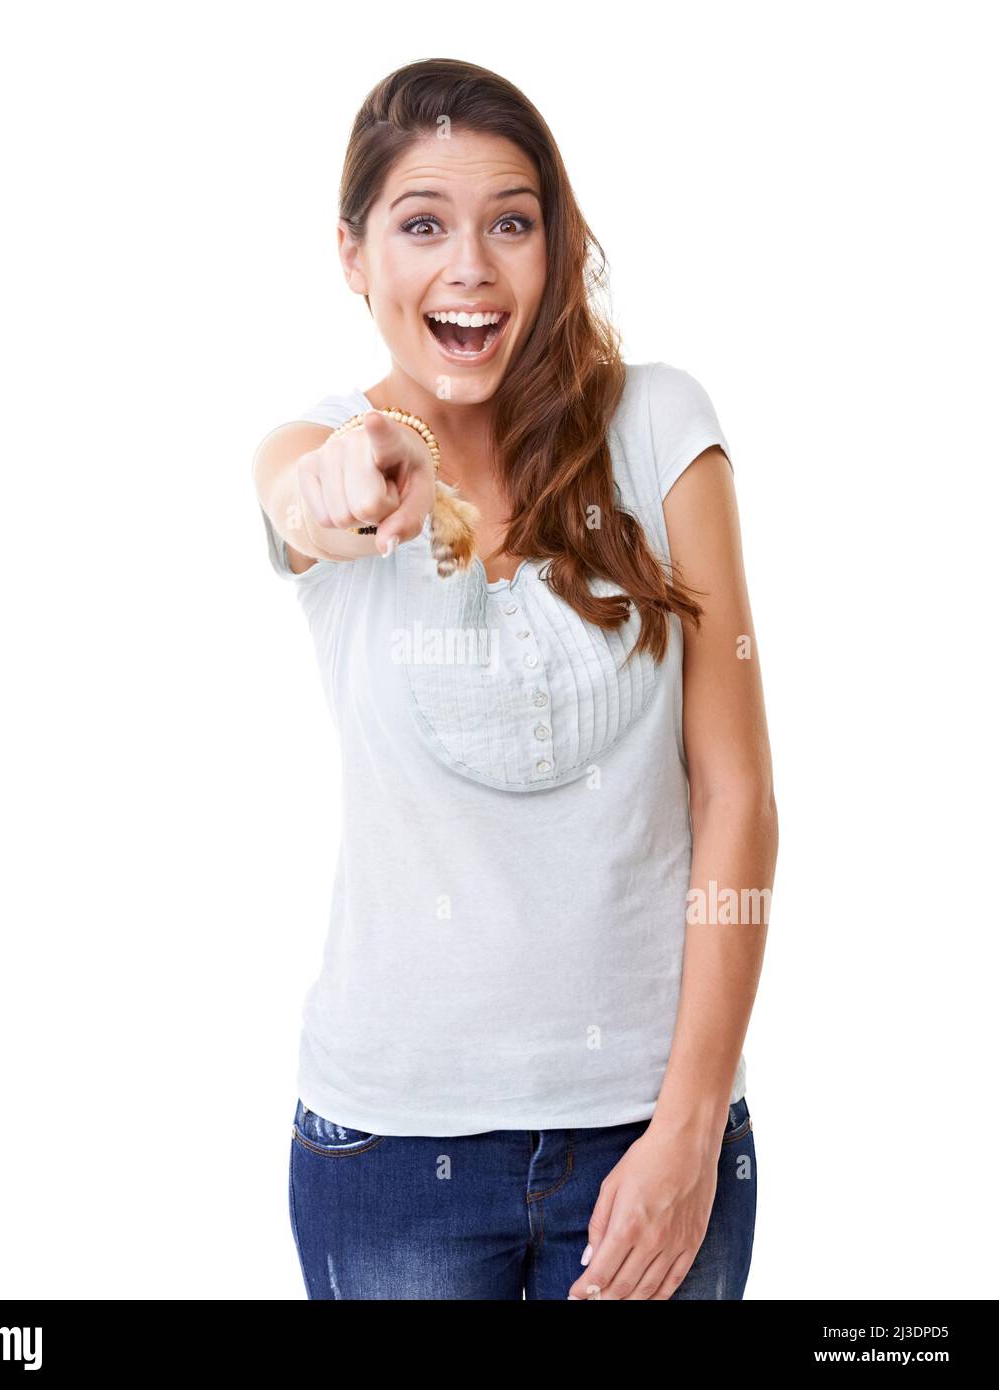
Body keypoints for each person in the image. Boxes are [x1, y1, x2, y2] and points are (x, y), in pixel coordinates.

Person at [253, 58, 778, 1301]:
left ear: (554, 242)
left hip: (648, 1132)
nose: (470, 268)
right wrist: (340, 477)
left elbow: (737, 793)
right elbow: (296, 497)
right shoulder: (333, 449)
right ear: (352, 254)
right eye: (421, 224)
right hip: (388, 1148)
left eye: (510, 221)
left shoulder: (659, 427)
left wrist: (692, 1125)